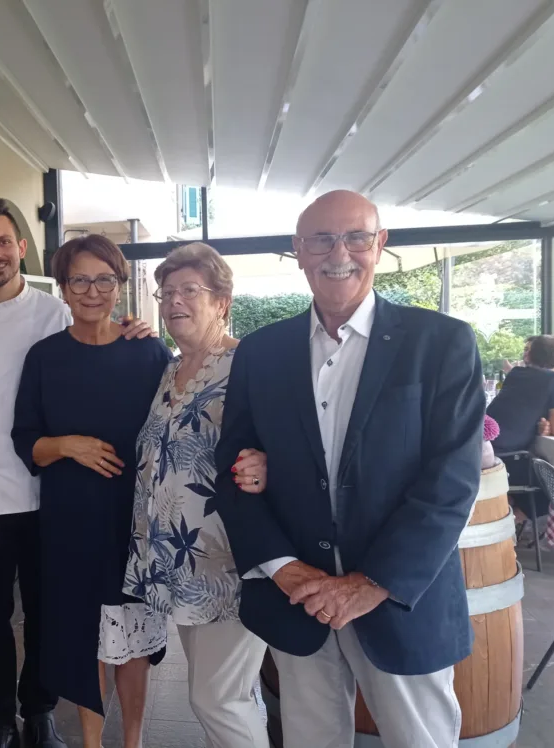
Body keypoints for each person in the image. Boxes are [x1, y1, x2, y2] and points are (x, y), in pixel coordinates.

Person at [218, 190, 485, 748]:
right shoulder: (262, 352)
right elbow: (234, 471)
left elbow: (451, 482)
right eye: (320, 238)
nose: (339, 252)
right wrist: (284, 569)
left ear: (379, 244)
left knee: (422, 742)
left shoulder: (441, 343)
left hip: (399, 602)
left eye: (356, 237)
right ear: (298, 250)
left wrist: (369, 585)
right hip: (299, 600)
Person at [0, 202, 153, 748]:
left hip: (50, 494)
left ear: (20, 247)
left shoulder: (54, 310)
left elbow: (98, 337)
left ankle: (41, 708)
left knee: (49, 615)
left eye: (3, 242)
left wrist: (133, 327)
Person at [11, 235, 171, 748]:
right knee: (85, 636)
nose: (92, 290)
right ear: (63, 288)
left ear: (121, 287)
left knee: (134, 636)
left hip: (136, 520)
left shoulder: (147, 350)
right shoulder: (44, 357)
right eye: (80, 279)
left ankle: (134, 741)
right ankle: (92, 742)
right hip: (71, 522)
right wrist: (67, 445)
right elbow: (26, 442)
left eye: (105, 279)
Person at [123, 242, 270, 748]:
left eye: (189, 290)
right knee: (228, 692)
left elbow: (292, 439)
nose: (173, 302)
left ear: (222, 301)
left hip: (228, 563)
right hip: (178, 561)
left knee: (216, 698)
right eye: (166, 293)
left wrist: (271, 464)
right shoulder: (170, 367)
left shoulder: (247, 365)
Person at [488, 334, 554, 453]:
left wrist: (546, 425)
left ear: (529, 355)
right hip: (504, 452)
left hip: (483, 441)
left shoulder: (515, 373)